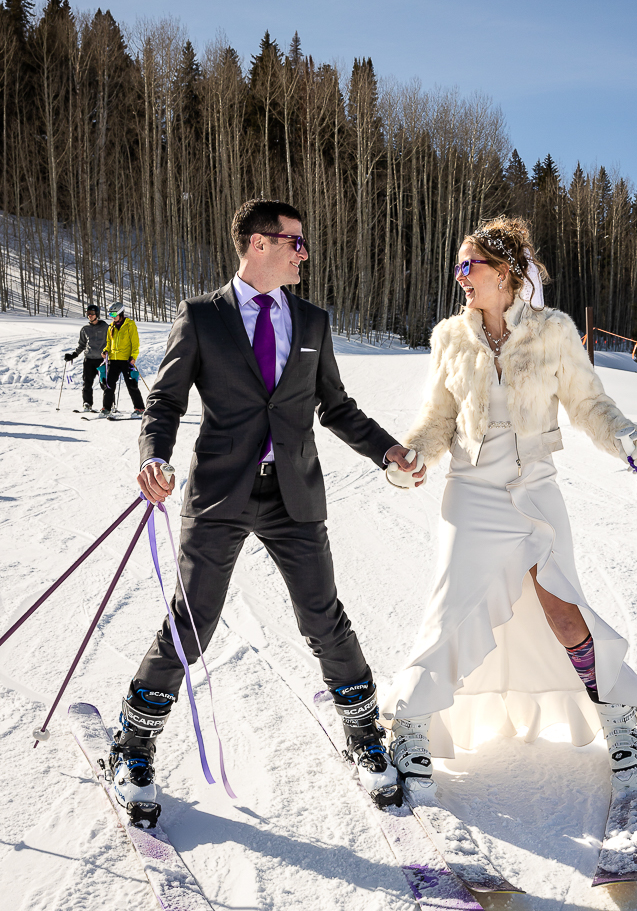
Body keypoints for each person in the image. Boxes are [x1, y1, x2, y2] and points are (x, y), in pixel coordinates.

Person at [108, 199, 423, 826]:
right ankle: (132, 745)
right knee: (191, 620)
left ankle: (365, 739)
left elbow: (336, 407)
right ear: (258, 244)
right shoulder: (202, 317)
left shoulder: (311, 320)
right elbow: (164, 402)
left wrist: (386, 449)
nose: (304, 253)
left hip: (293, 495)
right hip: (220, 493)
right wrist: (154, 457)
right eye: (295, 243)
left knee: (323, 619)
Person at [380, 215, 637, 794]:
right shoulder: (451, 338)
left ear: (504, 273)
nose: (460, 277)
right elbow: (438, 418)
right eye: (459, 266)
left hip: (535, 490)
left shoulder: (553, 331)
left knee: (563, 605)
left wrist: (625, 435)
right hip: (473, 493)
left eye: (469, 265)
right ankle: (410, 724)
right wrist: (413, 456)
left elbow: (588, 404)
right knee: (452, 605)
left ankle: (613, 713)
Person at [100, 301, 145, 417]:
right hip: (113, 360)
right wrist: (105, 351)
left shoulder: (130, 325)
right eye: (110, 315)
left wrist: (133, 357)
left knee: (131, 385)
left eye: (114, 315)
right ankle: (106, 408)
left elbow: (135, 344)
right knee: (109, 385)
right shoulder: (110, 327)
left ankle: (139, 408)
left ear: (121, 313)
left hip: (126, 360)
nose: (112, 318)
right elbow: (109, 344)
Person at [64, 304, 108, 411]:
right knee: (87, 383)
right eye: (88, 313)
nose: (90, 316)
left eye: (92, 314)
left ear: (97, 314)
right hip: (88, 360)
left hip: (102, 360)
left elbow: (112, 342)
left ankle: (109, 405)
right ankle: (87, 403)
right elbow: (82, 345)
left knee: (105, 383)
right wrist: (73, 355)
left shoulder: (106, 327)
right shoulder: (85, 329)